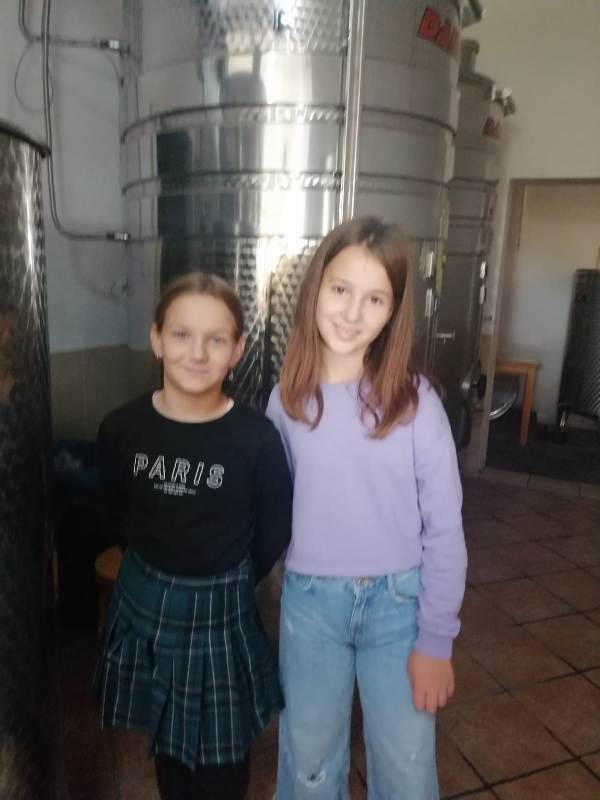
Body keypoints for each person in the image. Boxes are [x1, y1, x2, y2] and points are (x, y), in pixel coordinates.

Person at [267, 217, 467, 800]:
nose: (352, 313)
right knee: (307, 765)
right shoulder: (286, 401)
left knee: (406, 768)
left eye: (375, 298)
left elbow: (445, 529)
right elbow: (269, 512)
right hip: (310, 607)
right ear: (315, 289)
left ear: (393, 313)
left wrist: (436, 641)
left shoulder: (415, 403)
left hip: (399, 609)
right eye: (340, 289)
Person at [95, 272, 292, 800]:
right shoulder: (121, 428)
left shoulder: (256, 437)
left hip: (220, 611)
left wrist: (225, 580)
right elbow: (113, 511)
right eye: (182, 335)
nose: (197, 353)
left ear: (238, 350)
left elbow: (274, 528)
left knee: (222, 762)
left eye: (216, 339)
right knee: (168, 741)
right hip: (146, 601)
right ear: (157, 338)